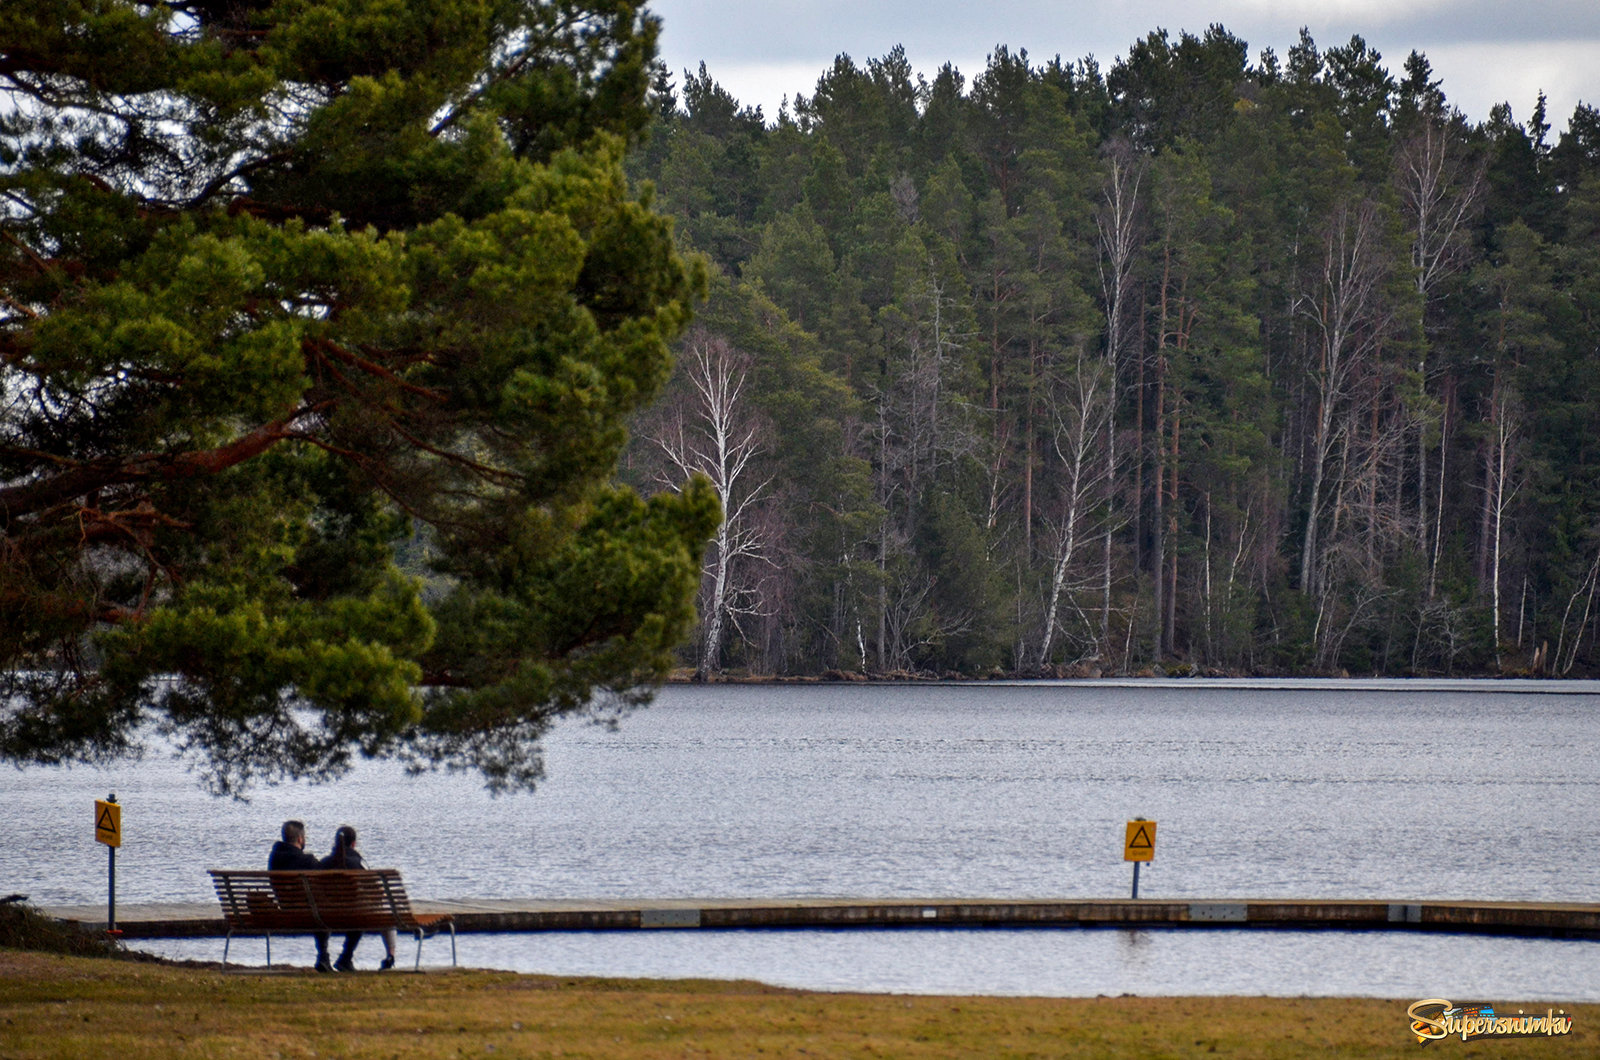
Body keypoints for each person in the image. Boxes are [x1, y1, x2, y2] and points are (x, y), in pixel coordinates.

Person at [321, 824, 397, 971]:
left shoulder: (324, 863)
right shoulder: (358, 863)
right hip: (354, 915)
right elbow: (376, 891)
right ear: (354, 843)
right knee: (376, 911)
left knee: (358, 908)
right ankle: (389, 956)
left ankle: (329, 956)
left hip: (324, 915)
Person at [267, 819, 333, 972]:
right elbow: (325, 879)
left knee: (316, 905)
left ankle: (324, 957)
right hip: (308, 912)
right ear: (300, 839)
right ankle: (323, 956)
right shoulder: (307, 861)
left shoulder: (274, 858)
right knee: (321, 908)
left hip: (285, 908)